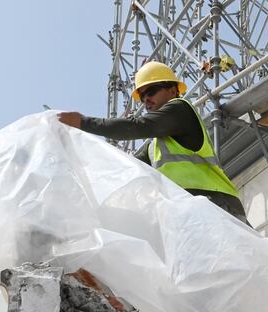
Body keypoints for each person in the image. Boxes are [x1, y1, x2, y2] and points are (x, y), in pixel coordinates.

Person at [58, 61, 250, 225]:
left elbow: (137, 126)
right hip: (189, 210)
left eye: (151, 91)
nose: (146, 100)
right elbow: (126, 168)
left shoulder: (180, 110)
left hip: (215, 204)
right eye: (142, 97)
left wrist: (83, 123)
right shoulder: (154, 147)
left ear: (172, 89)